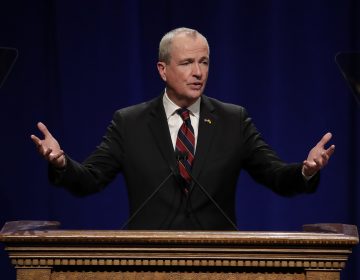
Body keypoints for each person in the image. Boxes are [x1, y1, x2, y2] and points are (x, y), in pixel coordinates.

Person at [31, 27, 335, 230]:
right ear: (163, 69)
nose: (198, 72)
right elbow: (90, 180)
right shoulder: (130, 122)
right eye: (187, 62)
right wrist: (61, 164)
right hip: (149, 263)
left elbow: (276, 176)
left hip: (218, 264)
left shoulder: (233, 120)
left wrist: (306, 170)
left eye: (204, 62)